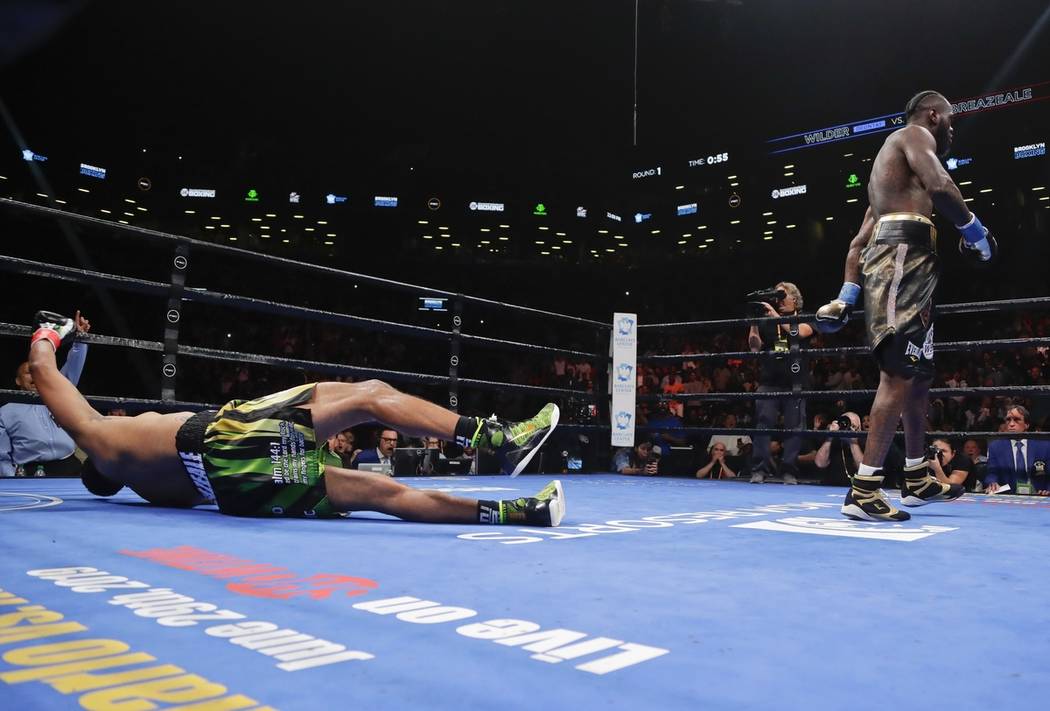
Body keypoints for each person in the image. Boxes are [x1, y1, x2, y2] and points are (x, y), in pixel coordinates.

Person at [25, 312, 564, 526]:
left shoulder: (146, 486)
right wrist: (49, 333)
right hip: (224, 439)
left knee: (386, 495)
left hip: (244, 491)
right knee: (370, 395)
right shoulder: (105, 440)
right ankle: (494, 439)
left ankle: (519, 513)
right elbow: (47, 379)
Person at [815, 90, 997, 520]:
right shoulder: (914, 135)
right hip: (901, 261)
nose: (951, 128)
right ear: (933, 115)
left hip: (913, 264)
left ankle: (916, 476)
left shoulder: (893, 181)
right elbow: (943, 185)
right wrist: (976, 232)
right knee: (898, 372)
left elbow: (859, 243)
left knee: (918, 377)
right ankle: (864, 489)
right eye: (949, 120)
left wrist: (847, 295)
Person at [1, 311, 91, 477]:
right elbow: (2, 457)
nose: (35, 375)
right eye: (29, 372)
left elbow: (72, 369)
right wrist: (11, 481)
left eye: (38, 371)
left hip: (70, 466)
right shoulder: (5, 412)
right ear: (18, 381)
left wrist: (80, 339)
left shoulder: (57, 397)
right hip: (29, 472)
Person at [747, 282, 813, 484]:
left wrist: (775, 315)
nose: (778, 300)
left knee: (794, 427)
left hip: (796, 382)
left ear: (795, 299)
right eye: (777, 296)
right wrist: (754, 322)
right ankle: (759, 469)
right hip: (769, 380)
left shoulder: (806, 318)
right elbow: (754, 348)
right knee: (763, 424)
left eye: (782, 295)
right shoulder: (767, 320)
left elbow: (799, 333)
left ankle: (788, 471)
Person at [985, 406, 1050, 496]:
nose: (1011, 424)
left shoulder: (1044, 446)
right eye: (1008, 420)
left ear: (1027, 424)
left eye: (1016, 420)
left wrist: (1048, 490)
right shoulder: (996, 446)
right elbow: (992, 472)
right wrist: (992, 483)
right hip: (1008, 496)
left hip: (1038, 495)